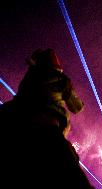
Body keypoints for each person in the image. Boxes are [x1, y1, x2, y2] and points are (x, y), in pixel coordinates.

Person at [0, 48, 95, 189]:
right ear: (55, 63)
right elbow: (77, 107)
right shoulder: (62, 80)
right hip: (48, 131)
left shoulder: (29, 77)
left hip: (19, 129)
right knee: (71, 170)